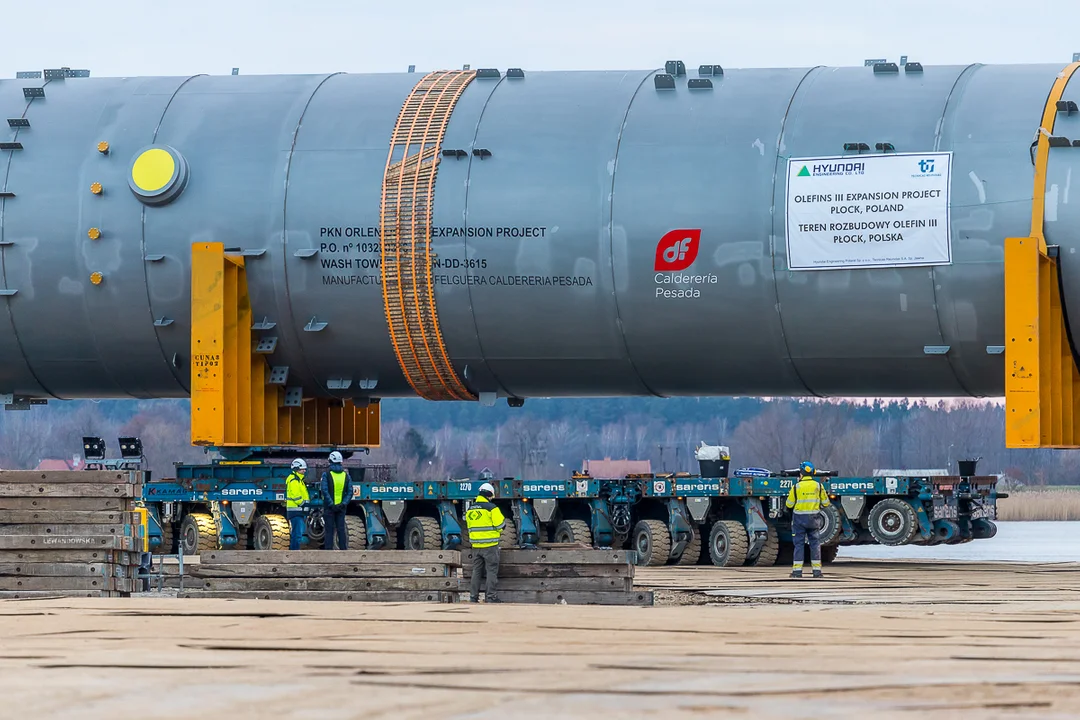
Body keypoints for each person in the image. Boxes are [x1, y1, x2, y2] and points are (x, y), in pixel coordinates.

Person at [786, 460, 831, 579]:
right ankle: (817, 572)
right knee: (815, 544)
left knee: (799, 545)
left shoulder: (796, 487)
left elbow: (789, 504)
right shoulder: (818, 486)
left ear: (801, 473)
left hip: (799, 520)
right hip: (814, 520)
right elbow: (826, 503)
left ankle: (797, 572)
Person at [465, 481, 505, 603]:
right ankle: (491, 597)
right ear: (490, 495)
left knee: (476, 571)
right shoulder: (492, 508)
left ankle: (473, 597)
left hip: (476, 545)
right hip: (490, 545)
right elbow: (501, 525)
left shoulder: (470, 509)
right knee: (491, 571)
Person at [319, 451, 354, 550]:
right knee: (341, 530)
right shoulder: (346, 475)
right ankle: (343, 552)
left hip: (329, 508)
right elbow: (350, 492)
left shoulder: (326, 475)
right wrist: (343, 504)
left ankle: (328, 554)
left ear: (330, 461)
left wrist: (331, 504)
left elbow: (324, 491)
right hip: (341, 508)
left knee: (329, 531)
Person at [285, 458, 310, 551]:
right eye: (302, 469)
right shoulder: (294, 480)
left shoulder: (299, 480)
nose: (304, 471)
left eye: (304, 469)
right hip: (296, 511)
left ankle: (294, 551)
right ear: (296, 469)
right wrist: (303, 504)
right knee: (297, 534)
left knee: (297, 533)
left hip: (299, 511)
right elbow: (296, 495)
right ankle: (294, 553)